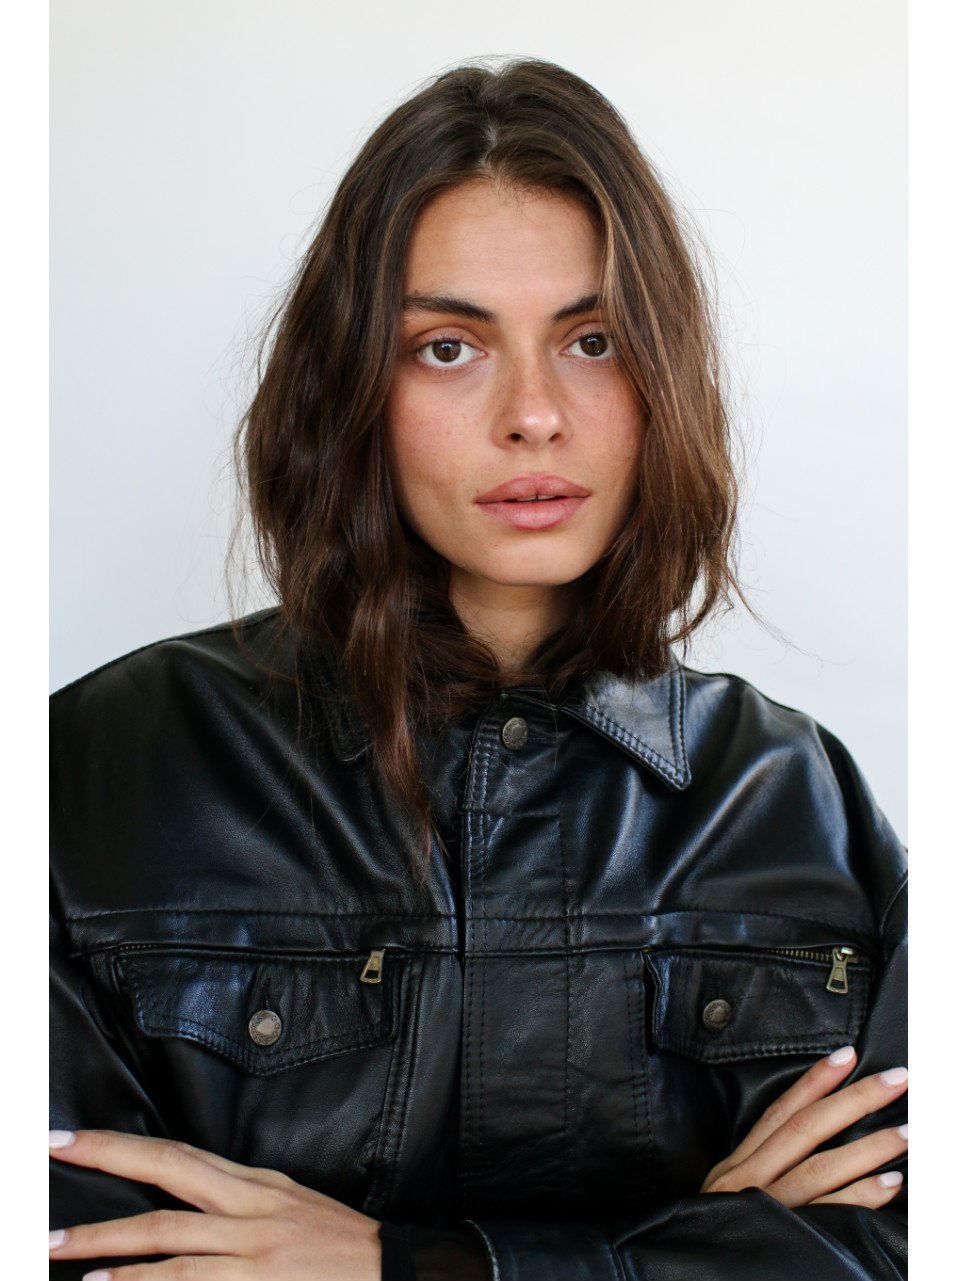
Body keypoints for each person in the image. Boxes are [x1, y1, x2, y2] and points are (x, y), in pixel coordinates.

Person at [49, 58, 907, 1280]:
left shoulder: (795, 798)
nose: (534, 414)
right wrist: (693, 1248)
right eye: (449, 347)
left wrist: (398, 1266)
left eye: (594, 340)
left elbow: (893, 1246)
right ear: (350, 381)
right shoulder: (99, 769)